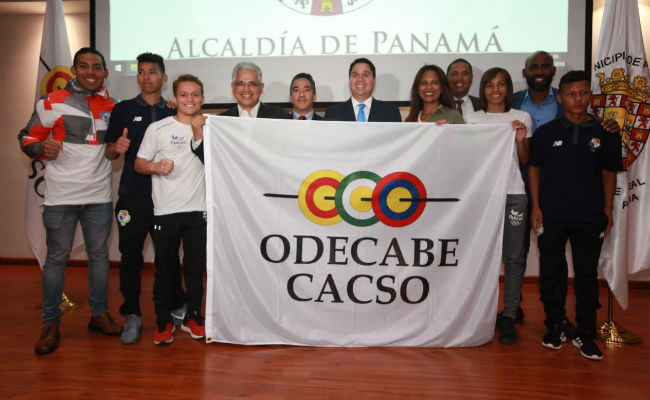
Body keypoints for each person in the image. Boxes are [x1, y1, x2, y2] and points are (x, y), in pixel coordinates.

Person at [19, 47, 122, 355]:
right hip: (60, 197)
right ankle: (51, 323)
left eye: (96, 67)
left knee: (99, 257)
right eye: (83, 66)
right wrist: (40, 150)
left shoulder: (114, 107)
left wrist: (116, 149)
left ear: (105, 72)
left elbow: (110, 150)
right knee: (55, 260)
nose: (90, 72)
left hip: (99, 197)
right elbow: (26, 138)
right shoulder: (51, 103)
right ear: (75, 70)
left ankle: (99, 315)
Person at [529, 70, 620, 361]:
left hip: (590, 216)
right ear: (560, 97)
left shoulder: (606, 133)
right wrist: (536, 206)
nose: (577, 99)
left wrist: (607, 210)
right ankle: (555, 324)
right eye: (571, 94)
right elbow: (534, 168)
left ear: (589, 96)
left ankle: (586, 331)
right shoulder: (546, 133)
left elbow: (609, 173)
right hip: (552, 215)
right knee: (552, 273)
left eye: (583, 93)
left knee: (586, 276)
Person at [104, 52, 187, 344]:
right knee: (130, 257)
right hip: (132, 196)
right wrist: (117, 147)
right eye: (141, 72)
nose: (146, 77)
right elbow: (110, 152)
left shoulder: (172, 109)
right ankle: (132, 315)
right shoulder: (123, 109)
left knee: (167, 257)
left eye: (152, 72)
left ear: (164, 78)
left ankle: (176, 304)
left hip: (168, 197)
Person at [135, 74, 208, 346]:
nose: (190, 100)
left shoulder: (211, 127)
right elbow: (139, 163)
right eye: (184, 95)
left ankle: (194, 316)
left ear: (203, 98)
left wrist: (200, 134)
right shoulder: (158, 129)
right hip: (165, 211)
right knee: (165, 269)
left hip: (198, 210)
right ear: (174, 99)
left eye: (195, 95)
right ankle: (163, 321)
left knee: (194, 269)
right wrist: (155, 167)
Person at [464, 68, 532, 344]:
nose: (495, 89)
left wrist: (519, 140)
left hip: (513, 194)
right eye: (490, 84)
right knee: (479, 257)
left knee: (514, 259)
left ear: (508, 88)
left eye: (501, 84)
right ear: (482, 88)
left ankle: (509, 315)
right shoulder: (471, 119)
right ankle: (482, 311)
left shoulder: (521, 117)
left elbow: (525, 159)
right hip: (482, 197)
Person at [324, 58, 401, 122]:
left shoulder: (391, 111)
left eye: (366, 75)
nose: (360, 79)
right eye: (355, 75)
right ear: (350, 80)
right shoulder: (333, 113)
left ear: (374, 80)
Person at [221, 61, 290, 119]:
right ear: (233, 87)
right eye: (241, 84)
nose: (246, 89)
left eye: (252, 84)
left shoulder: (280, 116)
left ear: (261, 88)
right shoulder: (221, 120)